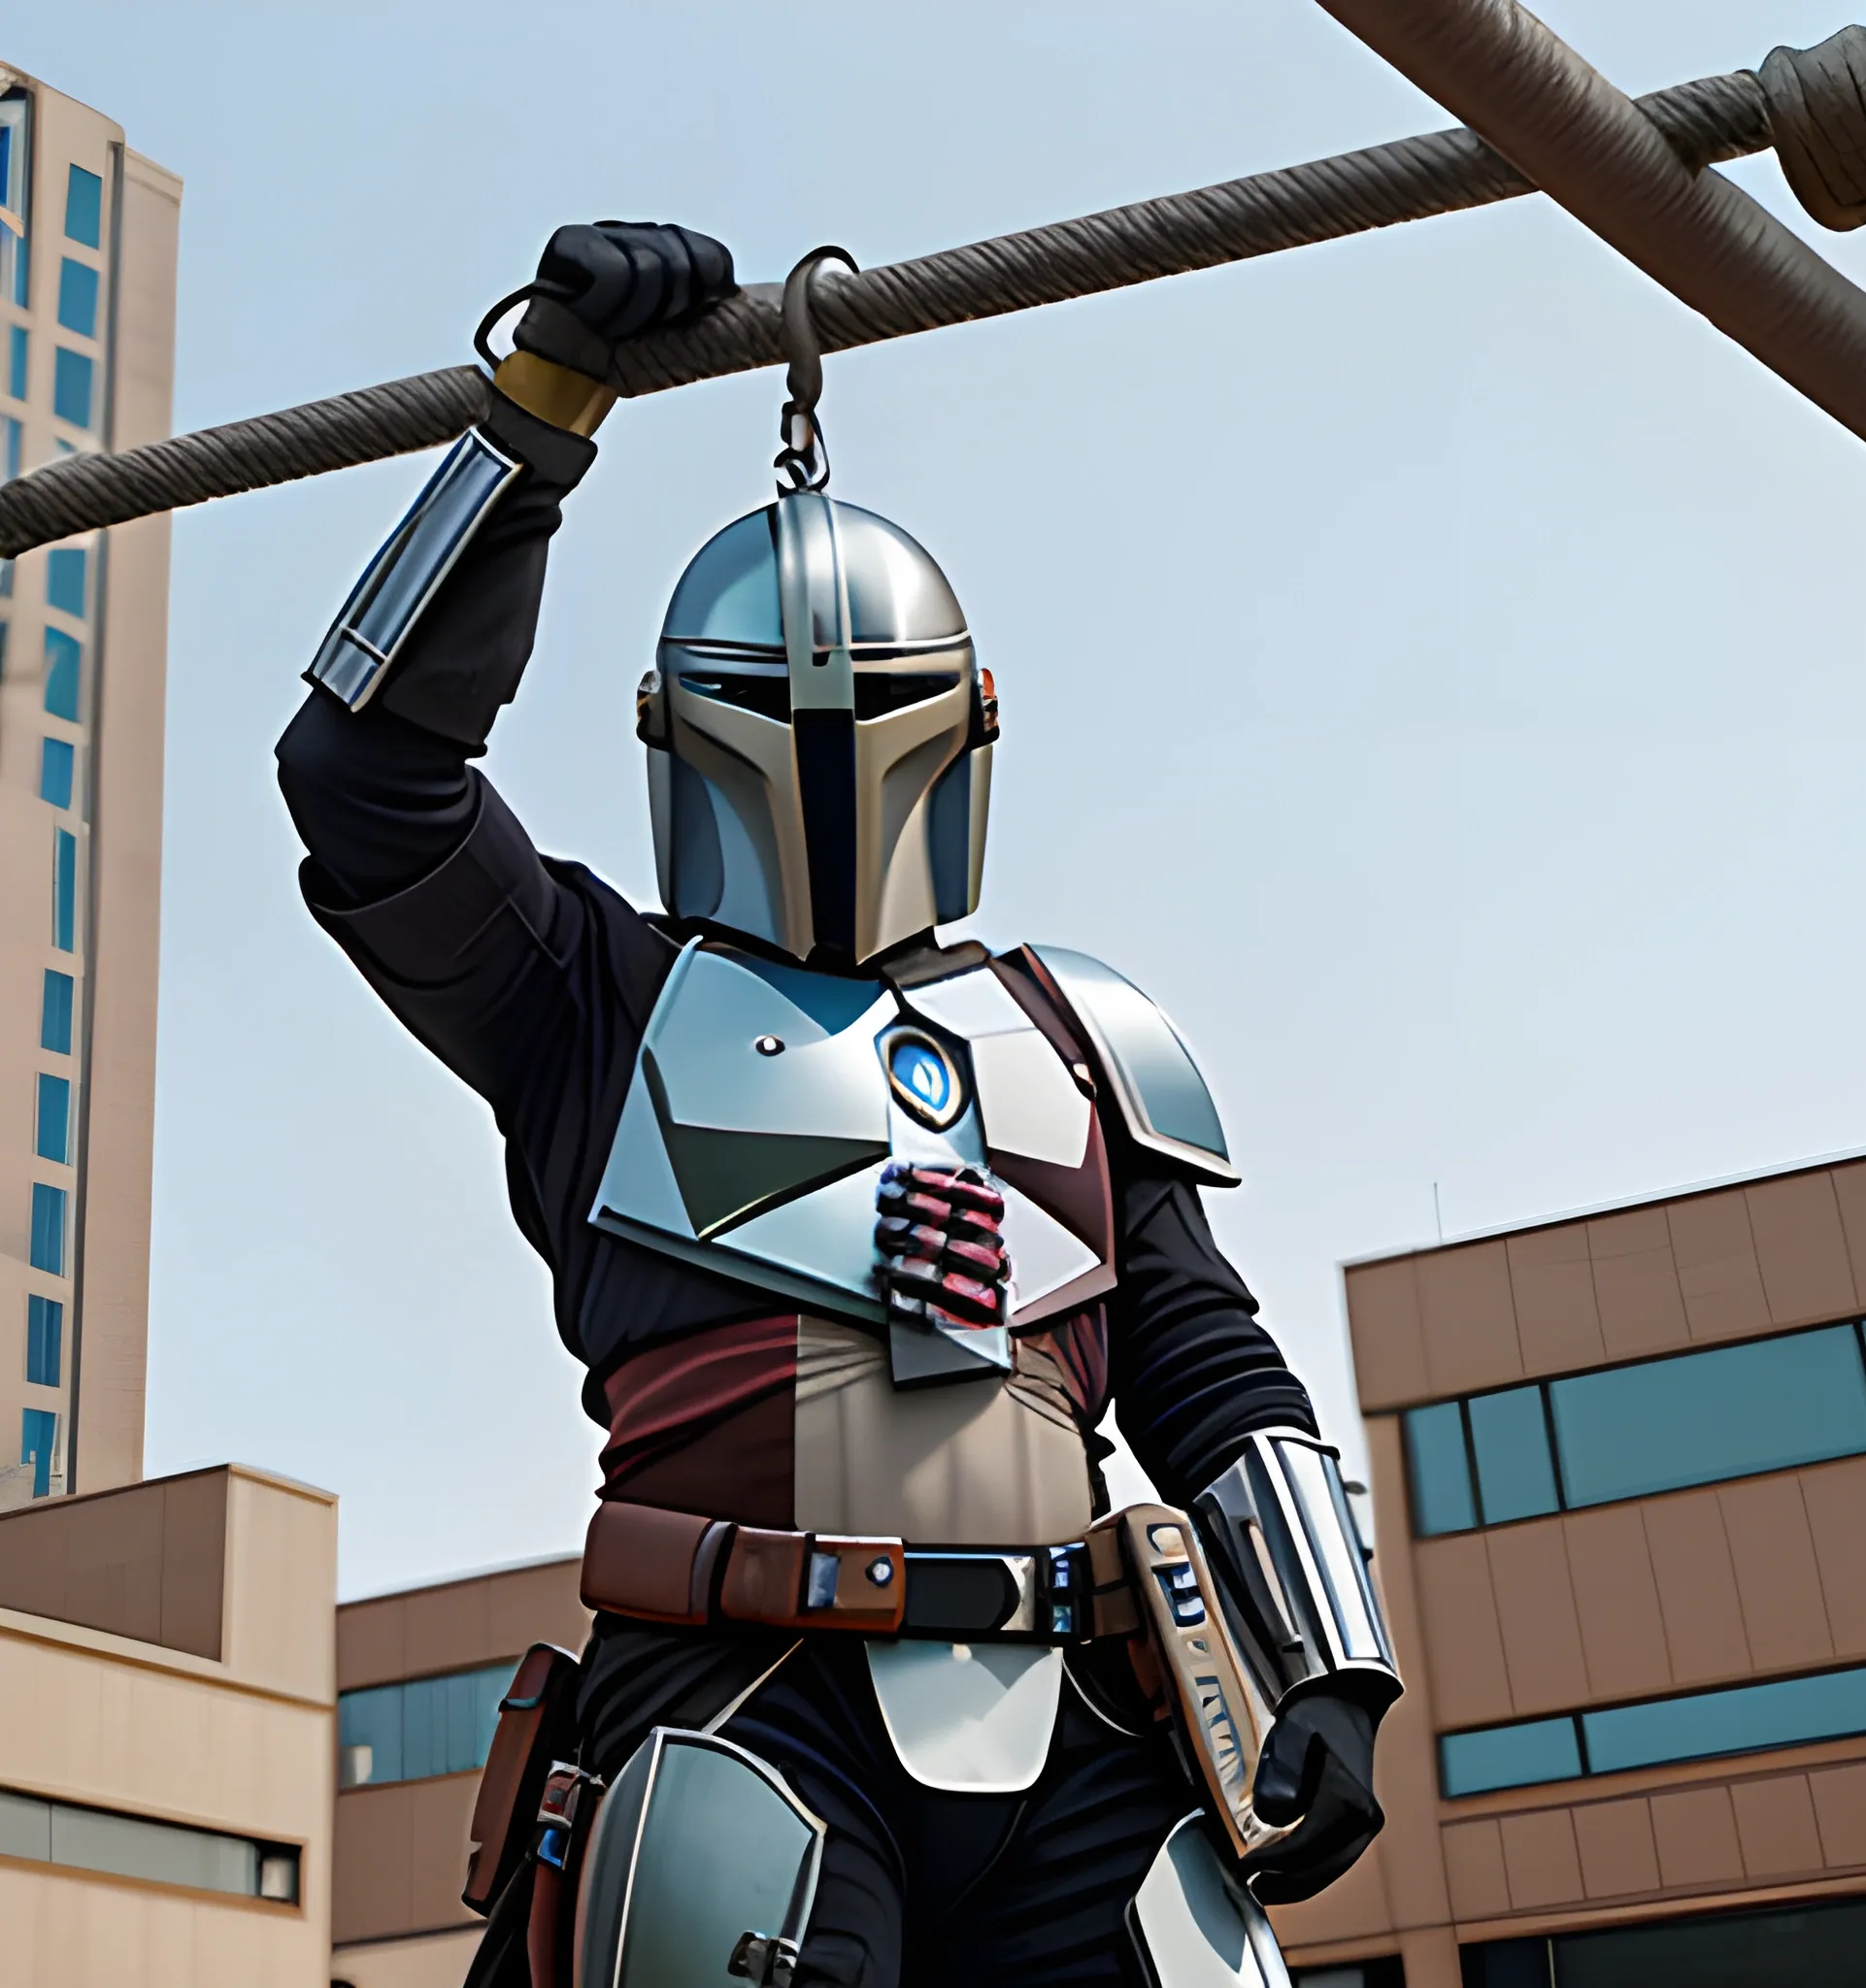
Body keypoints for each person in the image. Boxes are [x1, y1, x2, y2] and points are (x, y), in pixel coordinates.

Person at [279, 221, 1397, 1988]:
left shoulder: (1075, 1035)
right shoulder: (595, 1002)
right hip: (745, 1698)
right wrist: (539, 406)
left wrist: (1327, 1662)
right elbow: (365, 776)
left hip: (1081, 1712)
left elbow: (1197, 1357)